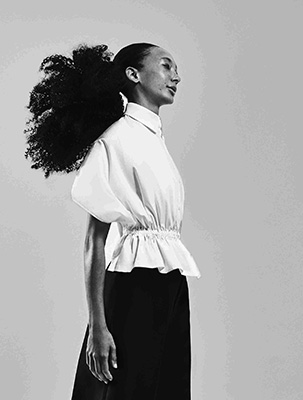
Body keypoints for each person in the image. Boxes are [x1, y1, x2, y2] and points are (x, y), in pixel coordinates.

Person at [24, 42, 201, 400]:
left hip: (171, 282)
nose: (176, 76)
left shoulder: (153, 139)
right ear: (134, 74)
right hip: (135, 284)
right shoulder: (115, 140)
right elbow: (95, 239)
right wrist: (97, 327)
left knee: (169, 390)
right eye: (166, 66)